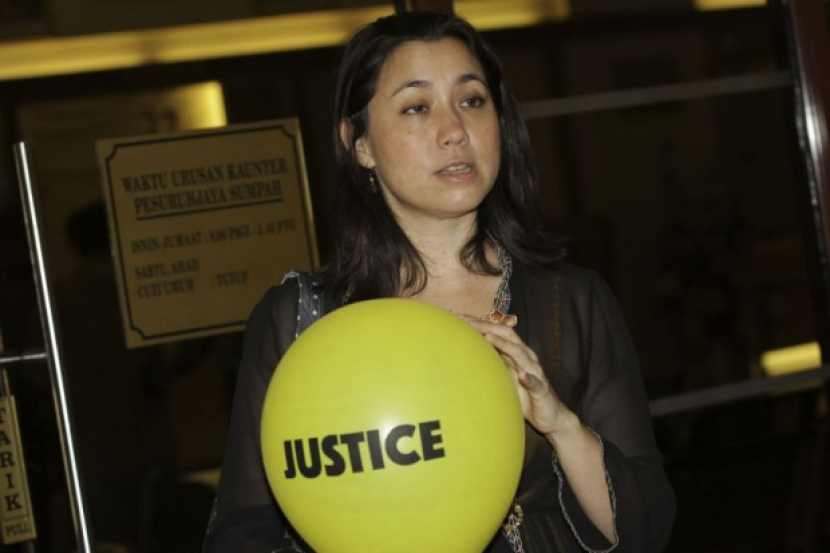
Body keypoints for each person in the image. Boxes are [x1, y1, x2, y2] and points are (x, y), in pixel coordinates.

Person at [203, 10, 675, 553]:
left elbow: (645, 531)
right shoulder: (298, 320)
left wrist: (561, 426)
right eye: (416, 107)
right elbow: (241, 533)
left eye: (472, 100)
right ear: (359, 143)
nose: (454, 131)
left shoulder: (570, 301)